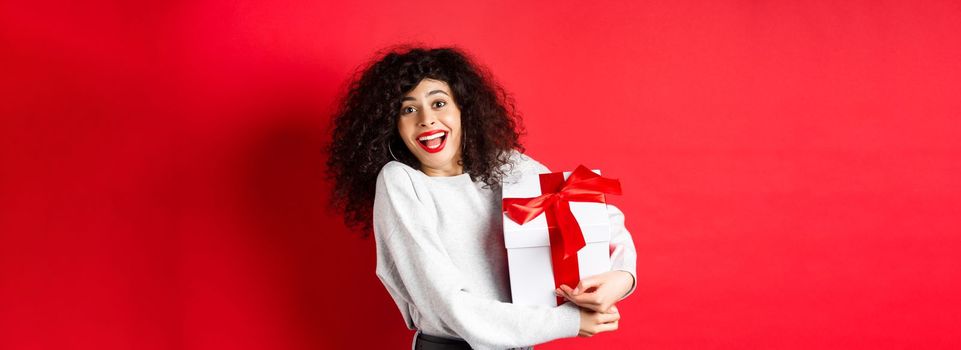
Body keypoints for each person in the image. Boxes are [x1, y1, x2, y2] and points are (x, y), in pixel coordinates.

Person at [325, 46, 638, 350]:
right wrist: (566, 322)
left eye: (438, 103)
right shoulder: (401, 182)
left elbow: (598, 216)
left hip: (520, 344)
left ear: (464, 109)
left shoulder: (508, 166)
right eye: (408, 109)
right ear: (393, 127)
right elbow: (449, 305)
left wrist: (622, 277)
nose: (426, 119)